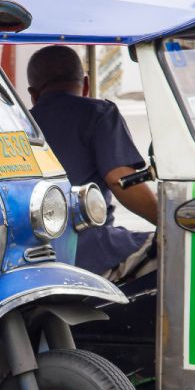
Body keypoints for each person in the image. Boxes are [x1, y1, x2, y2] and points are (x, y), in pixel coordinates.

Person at [27, 45, 158, 282]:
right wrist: (168, 222)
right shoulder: (99, 113)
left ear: (33, 94)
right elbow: (121, 181)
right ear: (86, 85)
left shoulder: (21, 125)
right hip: (87, 249)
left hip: (30, 256)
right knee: (169, 251)